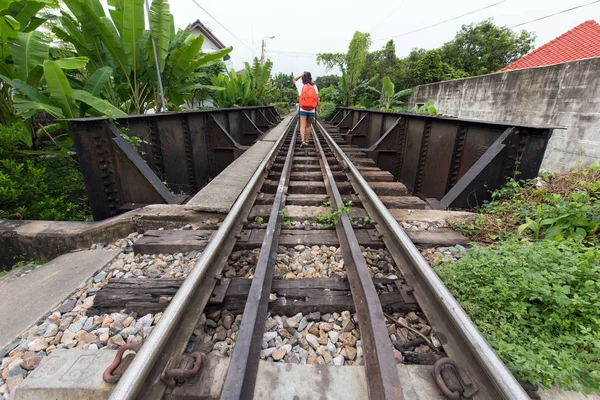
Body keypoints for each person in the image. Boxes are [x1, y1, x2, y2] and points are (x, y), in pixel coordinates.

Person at [293, 72, 321, 147]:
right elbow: (317, 98)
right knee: (308, 126)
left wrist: (301, 75)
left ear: (303, 78)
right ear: (310, 78)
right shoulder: (314, 86)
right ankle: (307, 141)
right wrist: (319, 108)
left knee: (302, 125)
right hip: (311, 109)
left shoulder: (300, 85)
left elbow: (294, 80)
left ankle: (303, 141)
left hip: (302, 109)